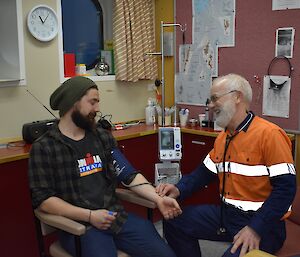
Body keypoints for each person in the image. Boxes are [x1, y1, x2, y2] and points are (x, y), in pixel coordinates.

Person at [28, 76, 182, 257]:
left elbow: (129, 175)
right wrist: (90, 216)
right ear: (72, 102)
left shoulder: (101, 137)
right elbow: (44, 201)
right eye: (93, 102)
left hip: (114, 217)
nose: (98, 108)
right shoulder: (45, 147)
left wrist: (158, 199)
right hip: (81, 227)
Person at [156, 73, 297, 257]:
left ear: (237, 96)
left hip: (265, 225)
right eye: (210, 99)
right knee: (174, 221)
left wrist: (255, 228)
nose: (210, 105)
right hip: (227, 216)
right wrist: (178, 189)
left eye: (215, 99)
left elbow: (286, 189)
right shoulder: (224, 137)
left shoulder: (270, 135)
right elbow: (203, 174)